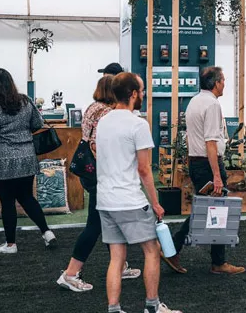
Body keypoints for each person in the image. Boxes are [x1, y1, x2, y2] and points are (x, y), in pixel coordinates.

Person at [95, 72, 180, 313]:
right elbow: (144, 170)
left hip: (105, 200)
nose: (143, 94)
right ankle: (152, 307)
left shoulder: (104, 121)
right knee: (152, 251)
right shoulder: (138, 124)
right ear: (133, 94)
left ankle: (114, 309)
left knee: (116, 258)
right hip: (130, 200)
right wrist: (156, 202)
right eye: (141, 91)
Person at [56, 76, 140, 292]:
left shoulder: (93, 107)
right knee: (95, 225)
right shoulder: (106, 113)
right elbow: (99, 145)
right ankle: (71, 273)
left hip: (90, 172)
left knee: (108, 222)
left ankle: (119, 265)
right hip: (101, 174)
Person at [163, 67, 246, 276]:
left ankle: (176, 249)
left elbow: (193, 137)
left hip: (196, 162)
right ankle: (179, 250)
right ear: (215, 83)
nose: (225, 83)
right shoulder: (212, 104)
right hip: (207, 164)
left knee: (209, 208)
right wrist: (217, 176)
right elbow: (211, 142)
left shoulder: (195, 101)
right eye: (224, 80)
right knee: (217, 208)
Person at [0, 68, 56, 253]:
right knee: (27, 197)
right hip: (27, 158)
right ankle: (47, 232)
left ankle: (11, 244)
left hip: (3, 161)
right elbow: (38, 123)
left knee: (7, 202)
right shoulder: (25, 101)